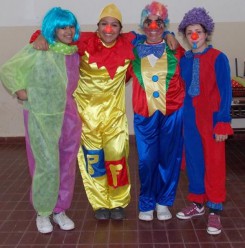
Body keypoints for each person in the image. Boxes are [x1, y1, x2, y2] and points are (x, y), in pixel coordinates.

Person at [30, 3, 178, 220]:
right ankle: (100, 203)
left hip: (114, 117)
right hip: (86, 118)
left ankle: (117, 202)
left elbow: (153, 31)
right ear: (97, 26)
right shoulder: (83, 41)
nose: (109, 29)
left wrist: (169, 32)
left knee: (117, 160)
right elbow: (55, 35)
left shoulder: (130, 42)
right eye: (104, 24)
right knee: (93, 162)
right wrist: (39, 36)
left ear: (120, 28)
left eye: (114, 25)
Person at [0, 7, 82, 234]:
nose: (67, 31)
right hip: (41, 117)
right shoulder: (38, 48)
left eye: (70, 26)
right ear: (52, 29)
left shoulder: (73, 52)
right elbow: (8, 70)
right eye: (62, 27)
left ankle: (60, 210)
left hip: (68, 116)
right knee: (45, 165)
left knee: (66, 164)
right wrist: (20, 91)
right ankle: (43, 212)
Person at [176, 7, 233, 235]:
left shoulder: (219, 57)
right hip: (190, 118)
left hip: (211, 119)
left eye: (198, 31)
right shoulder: (185, 60)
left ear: (206, 33)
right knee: (195, 161)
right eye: (189, 32)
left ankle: (215, 210)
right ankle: (198, 203)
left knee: (215, 163)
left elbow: (225, 91)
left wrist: (222, 122)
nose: (194, 36)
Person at [127, 1, 185, 221]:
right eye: (148, 22)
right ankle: (146, 202)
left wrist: (171, 34)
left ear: (165, 25)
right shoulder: (133, 47)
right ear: (142, 25)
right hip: (144, 113)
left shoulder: (175, 48)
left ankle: (163, 202)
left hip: (172, 111)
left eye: (159, 23)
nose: (153, 27)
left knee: (169, 158)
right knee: (146, 159)